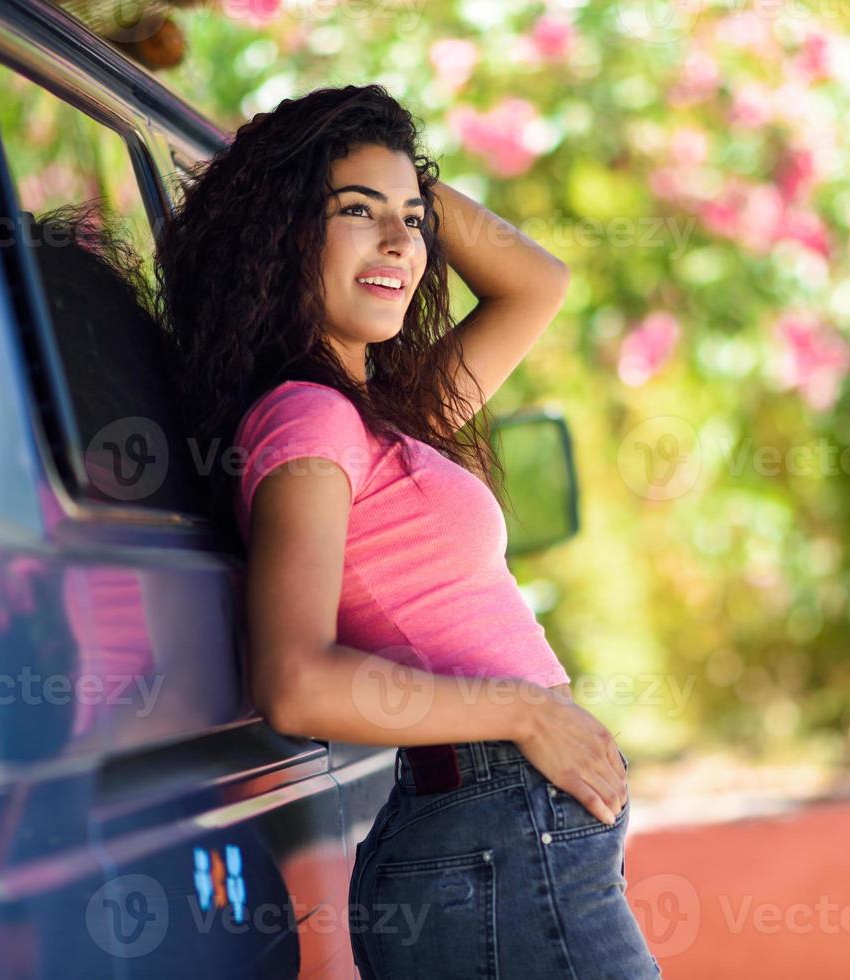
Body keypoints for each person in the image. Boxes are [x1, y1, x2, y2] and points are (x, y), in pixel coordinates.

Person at [155, 83, 660, 978]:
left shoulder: (384, 415)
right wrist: (527, 712)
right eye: (356, 212)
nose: (399, 242)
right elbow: (295, 682)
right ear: (282, 233)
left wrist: (403, 174)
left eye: (413, 219)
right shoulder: (307, 420)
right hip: (495, 834)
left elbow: (535, 283)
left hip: (503, 838)